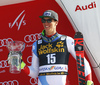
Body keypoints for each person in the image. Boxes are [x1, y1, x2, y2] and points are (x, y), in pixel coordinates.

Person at [8, 10, 94, 85]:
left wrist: (89, 80)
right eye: (43, 20)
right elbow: (34, 73)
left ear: (56, 22)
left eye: (49, 20)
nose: (46, 23)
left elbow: (82, 61)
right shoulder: (36, 44)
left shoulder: (66, 40)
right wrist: (20, 64)